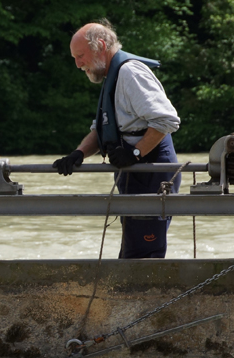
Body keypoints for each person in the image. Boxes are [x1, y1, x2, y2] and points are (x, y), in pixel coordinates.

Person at [52, 20, 181, 258]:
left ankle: (142, 295)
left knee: (144, 253)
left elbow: (167, 120)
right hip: (134, 172)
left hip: (151, 174)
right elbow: (102, 129)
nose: (78, 64)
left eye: (80, 56)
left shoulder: (130, 72)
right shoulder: (113, 74)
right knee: (133, 248)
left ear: (100, 46)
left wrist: (135, 153)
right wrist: (78, 153)